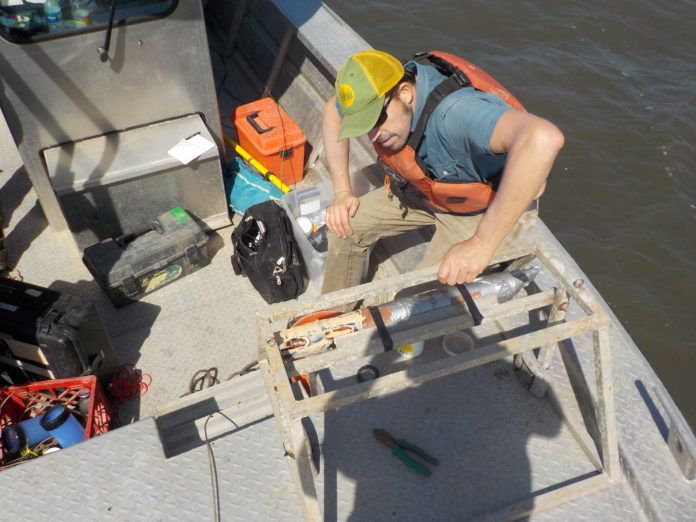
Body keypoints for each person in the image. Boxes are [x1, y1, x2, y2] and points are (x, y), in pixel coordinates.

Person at [320, 50, 564, 294]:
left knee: (414, 298)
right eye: (363, 126)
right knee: (344, 229)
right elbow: (333, 108)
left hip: (478, 211)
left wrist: (481, 245)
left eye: (375, 121)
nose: (374, 136)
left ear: (404, 93)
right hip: (422, 189)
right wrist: (342, 192)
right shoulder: (391, 101)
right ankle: (334, 314)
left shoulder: (456, 115)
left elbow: (543, 138)